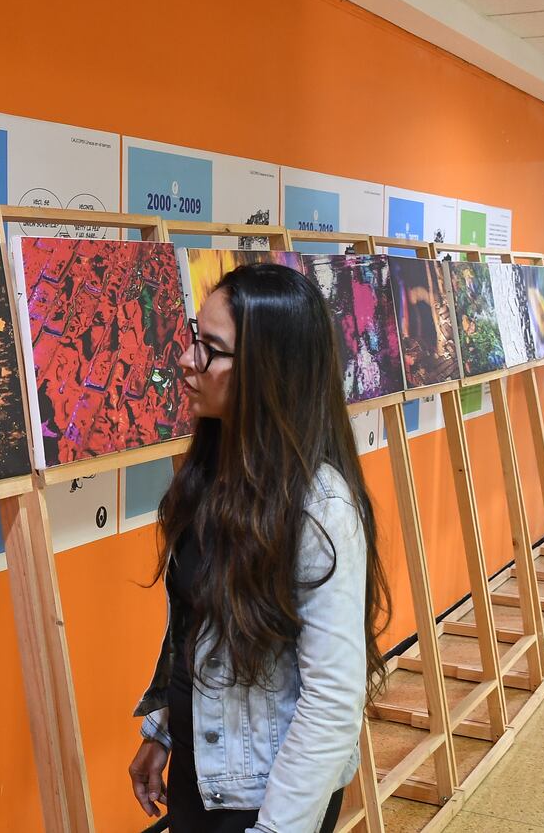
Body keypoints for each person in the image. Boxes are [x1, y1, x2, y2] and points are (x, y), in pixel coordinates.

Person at [127, 264, 391, 833]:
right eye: (194, 339)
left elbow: (332, 703)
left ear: (267, 372)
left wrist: (276, 828)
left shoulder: (320, 506)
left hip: (268, 794)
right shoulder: (210, 474)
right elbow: (198, 627)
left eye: (211, 350)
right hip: (205, 773)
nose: (187, 360)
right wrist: (164, 733)